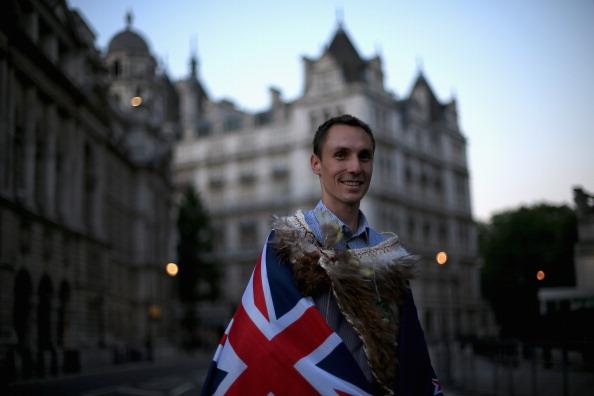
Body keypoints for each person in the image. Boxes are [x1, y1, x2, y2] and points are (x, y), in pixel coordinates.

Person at [201, 115, 442, 395]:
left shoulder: (390, 253)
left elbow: (411, 352)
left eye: (364, 157)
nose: (355, 167)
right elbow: (261, 343)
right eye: (341, 155)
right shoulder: (287, 241)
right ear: (316, 164)